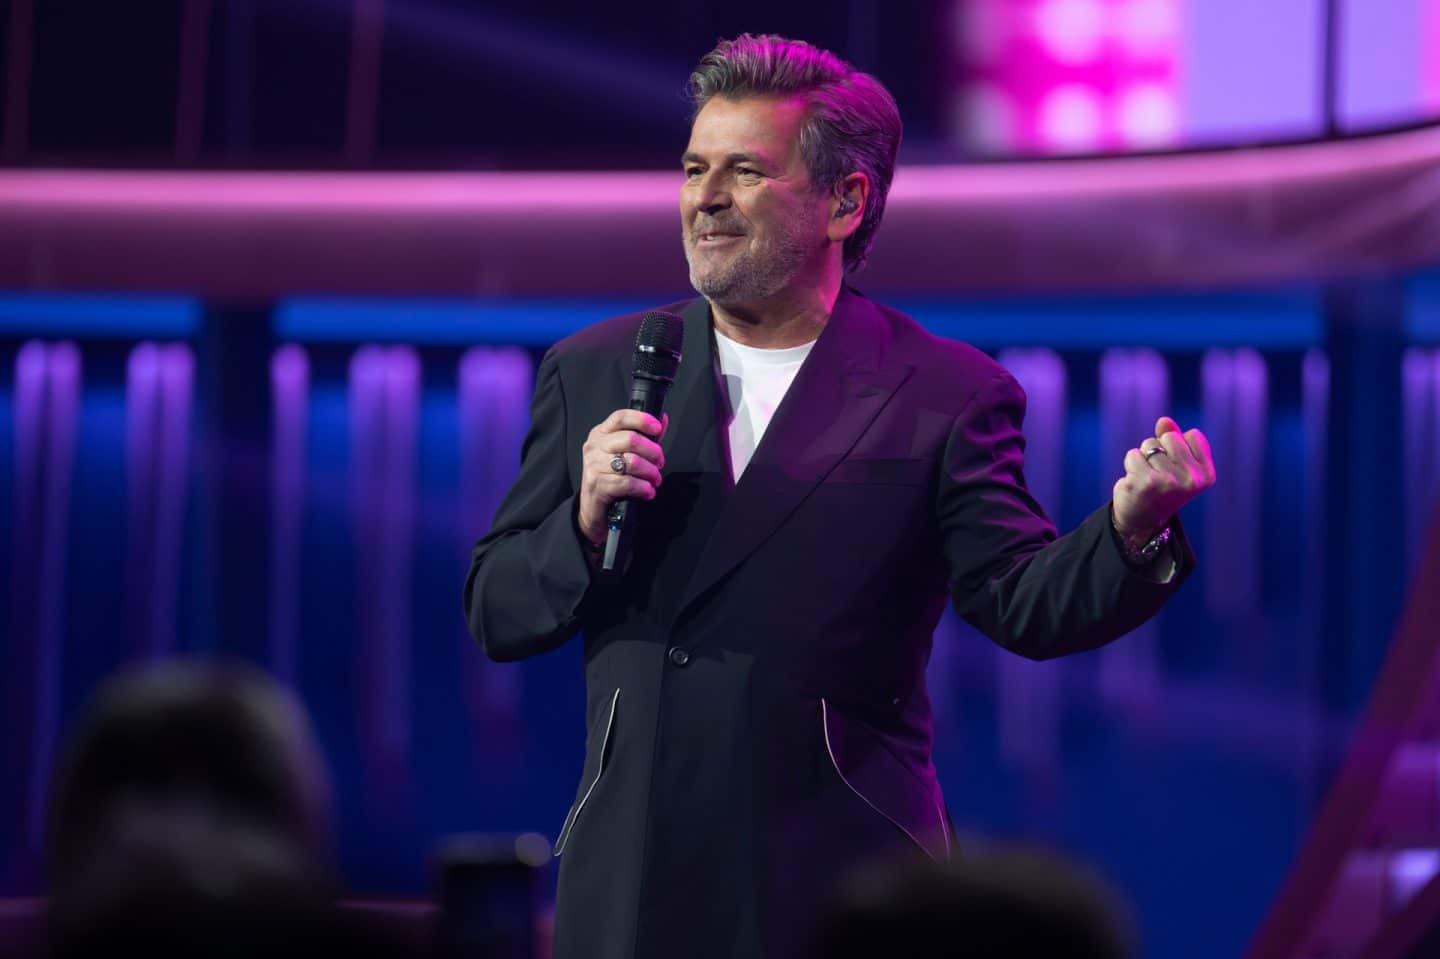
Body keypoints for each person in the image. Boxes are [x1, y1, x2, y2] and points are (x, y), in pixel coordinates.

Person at [463, 33, 1215, 959]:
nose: (706, 197)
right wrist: (581, 527)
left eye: (745, 171)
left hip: (839, 878)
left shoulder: (941, 391)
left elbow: (1021, 599)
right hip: (634, 879)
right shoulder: (597, 369)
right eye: (695, 169)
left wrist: (1131, 530)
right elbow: (496, 607)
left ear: (845, 202)